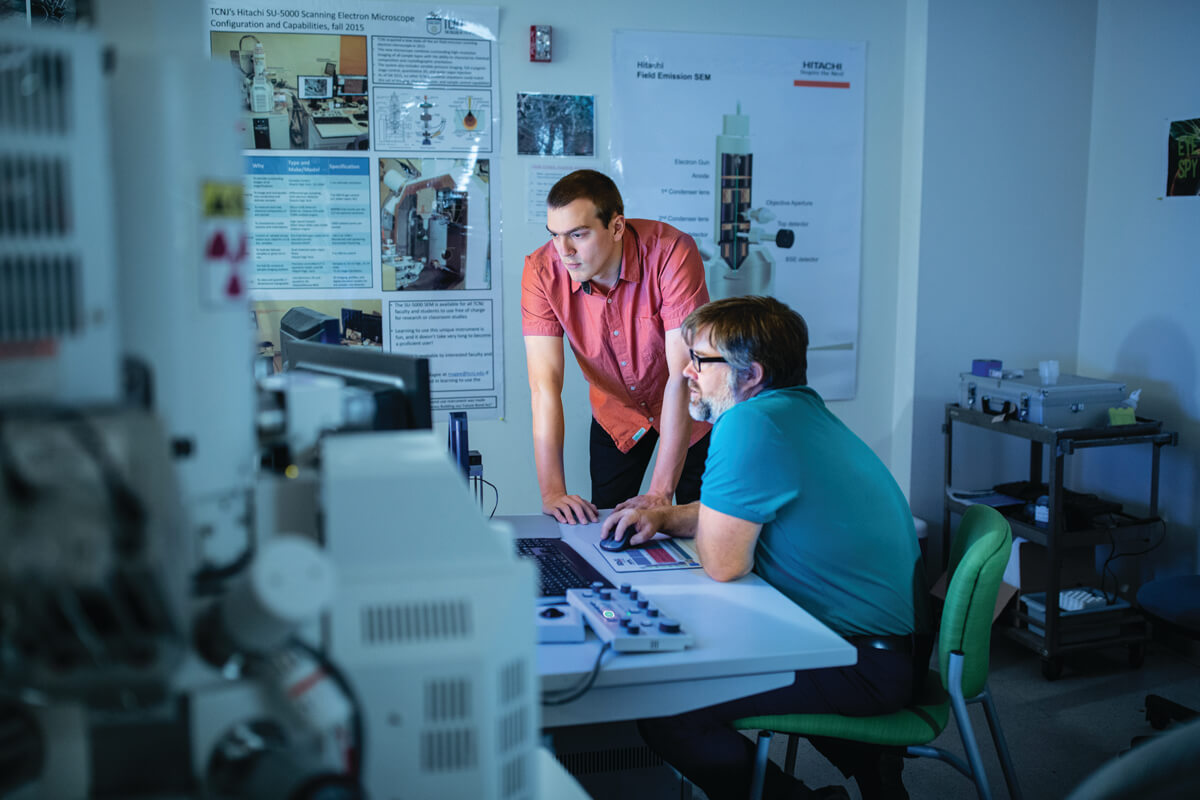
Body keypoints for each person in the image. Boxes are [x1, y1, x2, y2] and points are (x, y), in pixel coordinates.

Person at [602, 296, 932, 800]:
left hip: (858, 664)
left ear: (750, 374)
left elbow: (723, 562)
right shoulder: (797, 411)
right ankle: (870, 769)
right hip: (879, 645)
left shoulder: (748, 423)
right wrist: (665, 516)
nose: (687, 371)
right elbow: (752, 511)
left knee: (666, 705)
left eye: (701, 359)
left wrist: (686, 519)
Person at [521, 169, 711, 524]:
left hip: (693, 409)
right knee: (610, 527)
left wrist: (659, 494)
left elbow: (682, 377)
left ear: (617, 227)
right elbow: (543, 386)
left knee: (697, 526)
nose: (565, 251)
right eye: (555, 236)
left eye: (578, 234)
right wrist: (552, 492)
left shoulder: (671, 253)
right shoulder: (542, 271)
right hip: (617, 414)